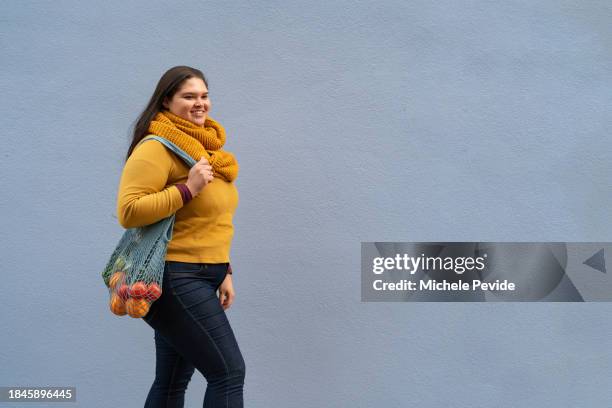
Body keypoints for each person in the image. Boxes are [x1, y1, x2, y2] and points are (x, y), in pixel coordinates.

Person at [116, 65, 245, 407]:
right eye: (189, 96)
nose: (199, 103)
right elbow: (128, 210)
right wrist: (187, 189)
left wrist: (224, 269)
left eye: (204, 96)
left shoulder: (209, 153)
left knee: (172, 381)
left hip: (205, 272)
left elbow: (210, 219)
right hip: (175, 275)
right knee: (228, 374)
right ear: (167, 101)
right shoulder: (157, 148)